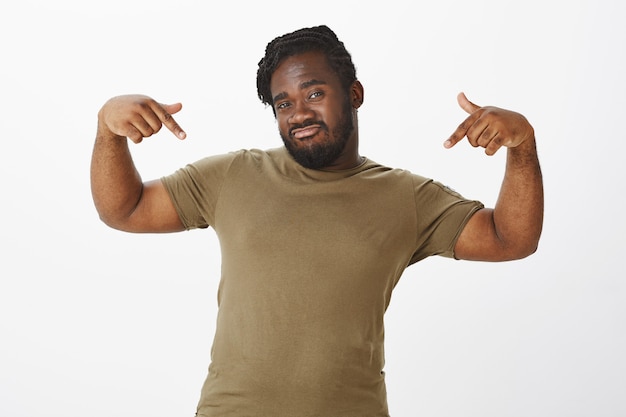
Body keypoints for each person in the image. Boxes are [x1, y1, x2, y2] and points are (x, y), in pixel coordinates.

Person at [90, 25, 543, 417]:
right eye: (283, 104)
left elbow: (511, 239)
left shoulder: (405, 197)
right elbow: (124, 210)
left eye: (314, 93)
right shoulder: (233, 176)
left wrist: (522, 146)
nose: (299, 114)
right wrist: (108, 130)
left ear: (355, 94)